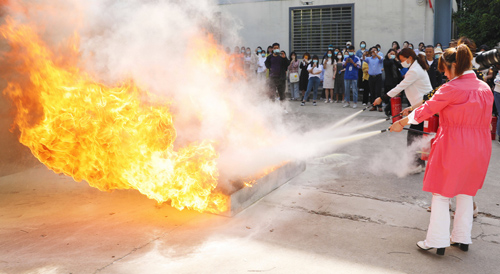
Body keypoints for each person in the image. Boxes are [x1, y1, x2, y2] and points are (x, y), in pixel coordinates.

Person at [389, 44, 494, 255]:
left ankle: (437, 240)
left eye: (445, 69)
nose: (444, 74)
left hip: (454, 143)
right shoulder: (484, 88)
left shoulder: (451, 88)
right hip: (481, 146)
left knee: (441, 193)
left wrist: (402, 122)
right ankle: (462, 238)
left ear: (454, 66)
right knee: (465, 191)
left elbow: (427, 110)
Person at [373, 48, 431, 172]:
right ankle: (419, 164)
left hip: (422, 106)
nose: (401, 62)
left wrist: (382, 98)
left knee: (414, 135)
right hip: (420, 106)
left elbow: (400, 87)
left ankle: (415, 165)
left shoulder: (414, 70)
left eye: (402, 60)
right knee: (418, 135)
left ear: (409, 58)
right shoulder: (416, 67)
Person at [382, 49, 403, 115]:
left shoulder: (395, 61)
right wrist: (390, 58)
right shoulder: (386, 61)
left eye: (394, 54)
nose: (392, 55)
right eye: (391, 54)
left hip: (396, 80)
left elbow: (401, 66)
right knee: (391, 96)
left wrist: (396, 60)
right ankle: (388, 109)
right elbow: (389, 64)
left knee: (396, 96)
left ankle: (390, 110)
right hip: (389, 81)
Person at [363, 46, 384, 111]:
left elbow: (381, 59)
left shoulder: (379, 57)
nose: (373, 52)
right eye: (372, 51)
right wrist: (364, 54)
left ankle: (379, 106)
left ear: (377, 51)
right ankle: (374, 106)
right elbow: (364, 59)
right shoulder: (369, 58)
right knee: (372, 92)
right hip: (371, 77)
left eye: (374, 50)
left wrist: (376, 54)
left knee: (378, 92)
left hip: (378, 76)